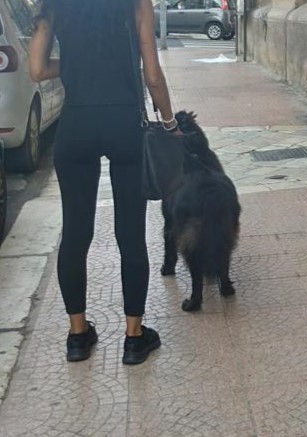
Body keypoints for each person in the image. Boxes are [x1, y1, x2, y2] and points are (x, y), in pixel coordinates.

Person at [29, 0, 179, 365]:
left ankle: (78, 337)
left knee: (76, 233)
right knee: (130, 233)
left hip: (76, 126)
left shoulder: (56, 5)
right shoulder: (135, 4)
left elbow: (35, 68)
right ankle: (134, 338)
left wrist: (81, 65)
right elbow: (154, 76)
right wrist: (171, 123)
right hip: (125, 124)